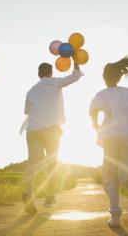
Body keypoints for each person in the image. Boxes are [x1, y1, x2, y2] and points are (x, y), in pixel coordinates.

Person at [89, 56, 128, 228]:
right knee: (125, 170)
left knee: (108, 177)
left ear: (104, 78)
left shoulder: (102, 94)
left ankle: (115, 217)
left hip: (110, 137)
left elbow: (93, 111)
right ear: (120, 77)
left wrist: (96, 125)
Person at [22, 61, 82, 214]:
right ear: (51, 73)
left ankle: (28, 193)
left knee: (33, 163)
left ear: (39, 74)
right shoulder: (55, 83)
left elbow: (27, 111)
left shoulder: (31, 91)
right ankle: (50, 196)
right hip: (51, 130)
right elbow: (75, 76)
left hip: (33, 129)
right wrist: (76, 61)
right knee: (52, 162)